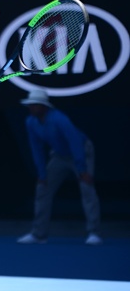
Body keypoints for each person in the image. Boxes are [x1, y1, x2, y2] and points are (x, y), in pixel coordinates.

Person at [17, 89, 103, 245]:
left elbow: (75, 142)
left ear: (44, 106)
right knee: (42, 189)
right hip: (59, 155)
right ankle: (39, 234)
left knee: (87, 189)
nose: (31, 108)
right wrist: (42, 174)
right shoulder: (30, 122)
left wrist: (82, 169)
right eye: (30, 105)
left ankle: (94, 232)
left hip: (82, 152)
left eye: (35, 105)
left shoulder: (59, 119)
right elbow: (36, 149)